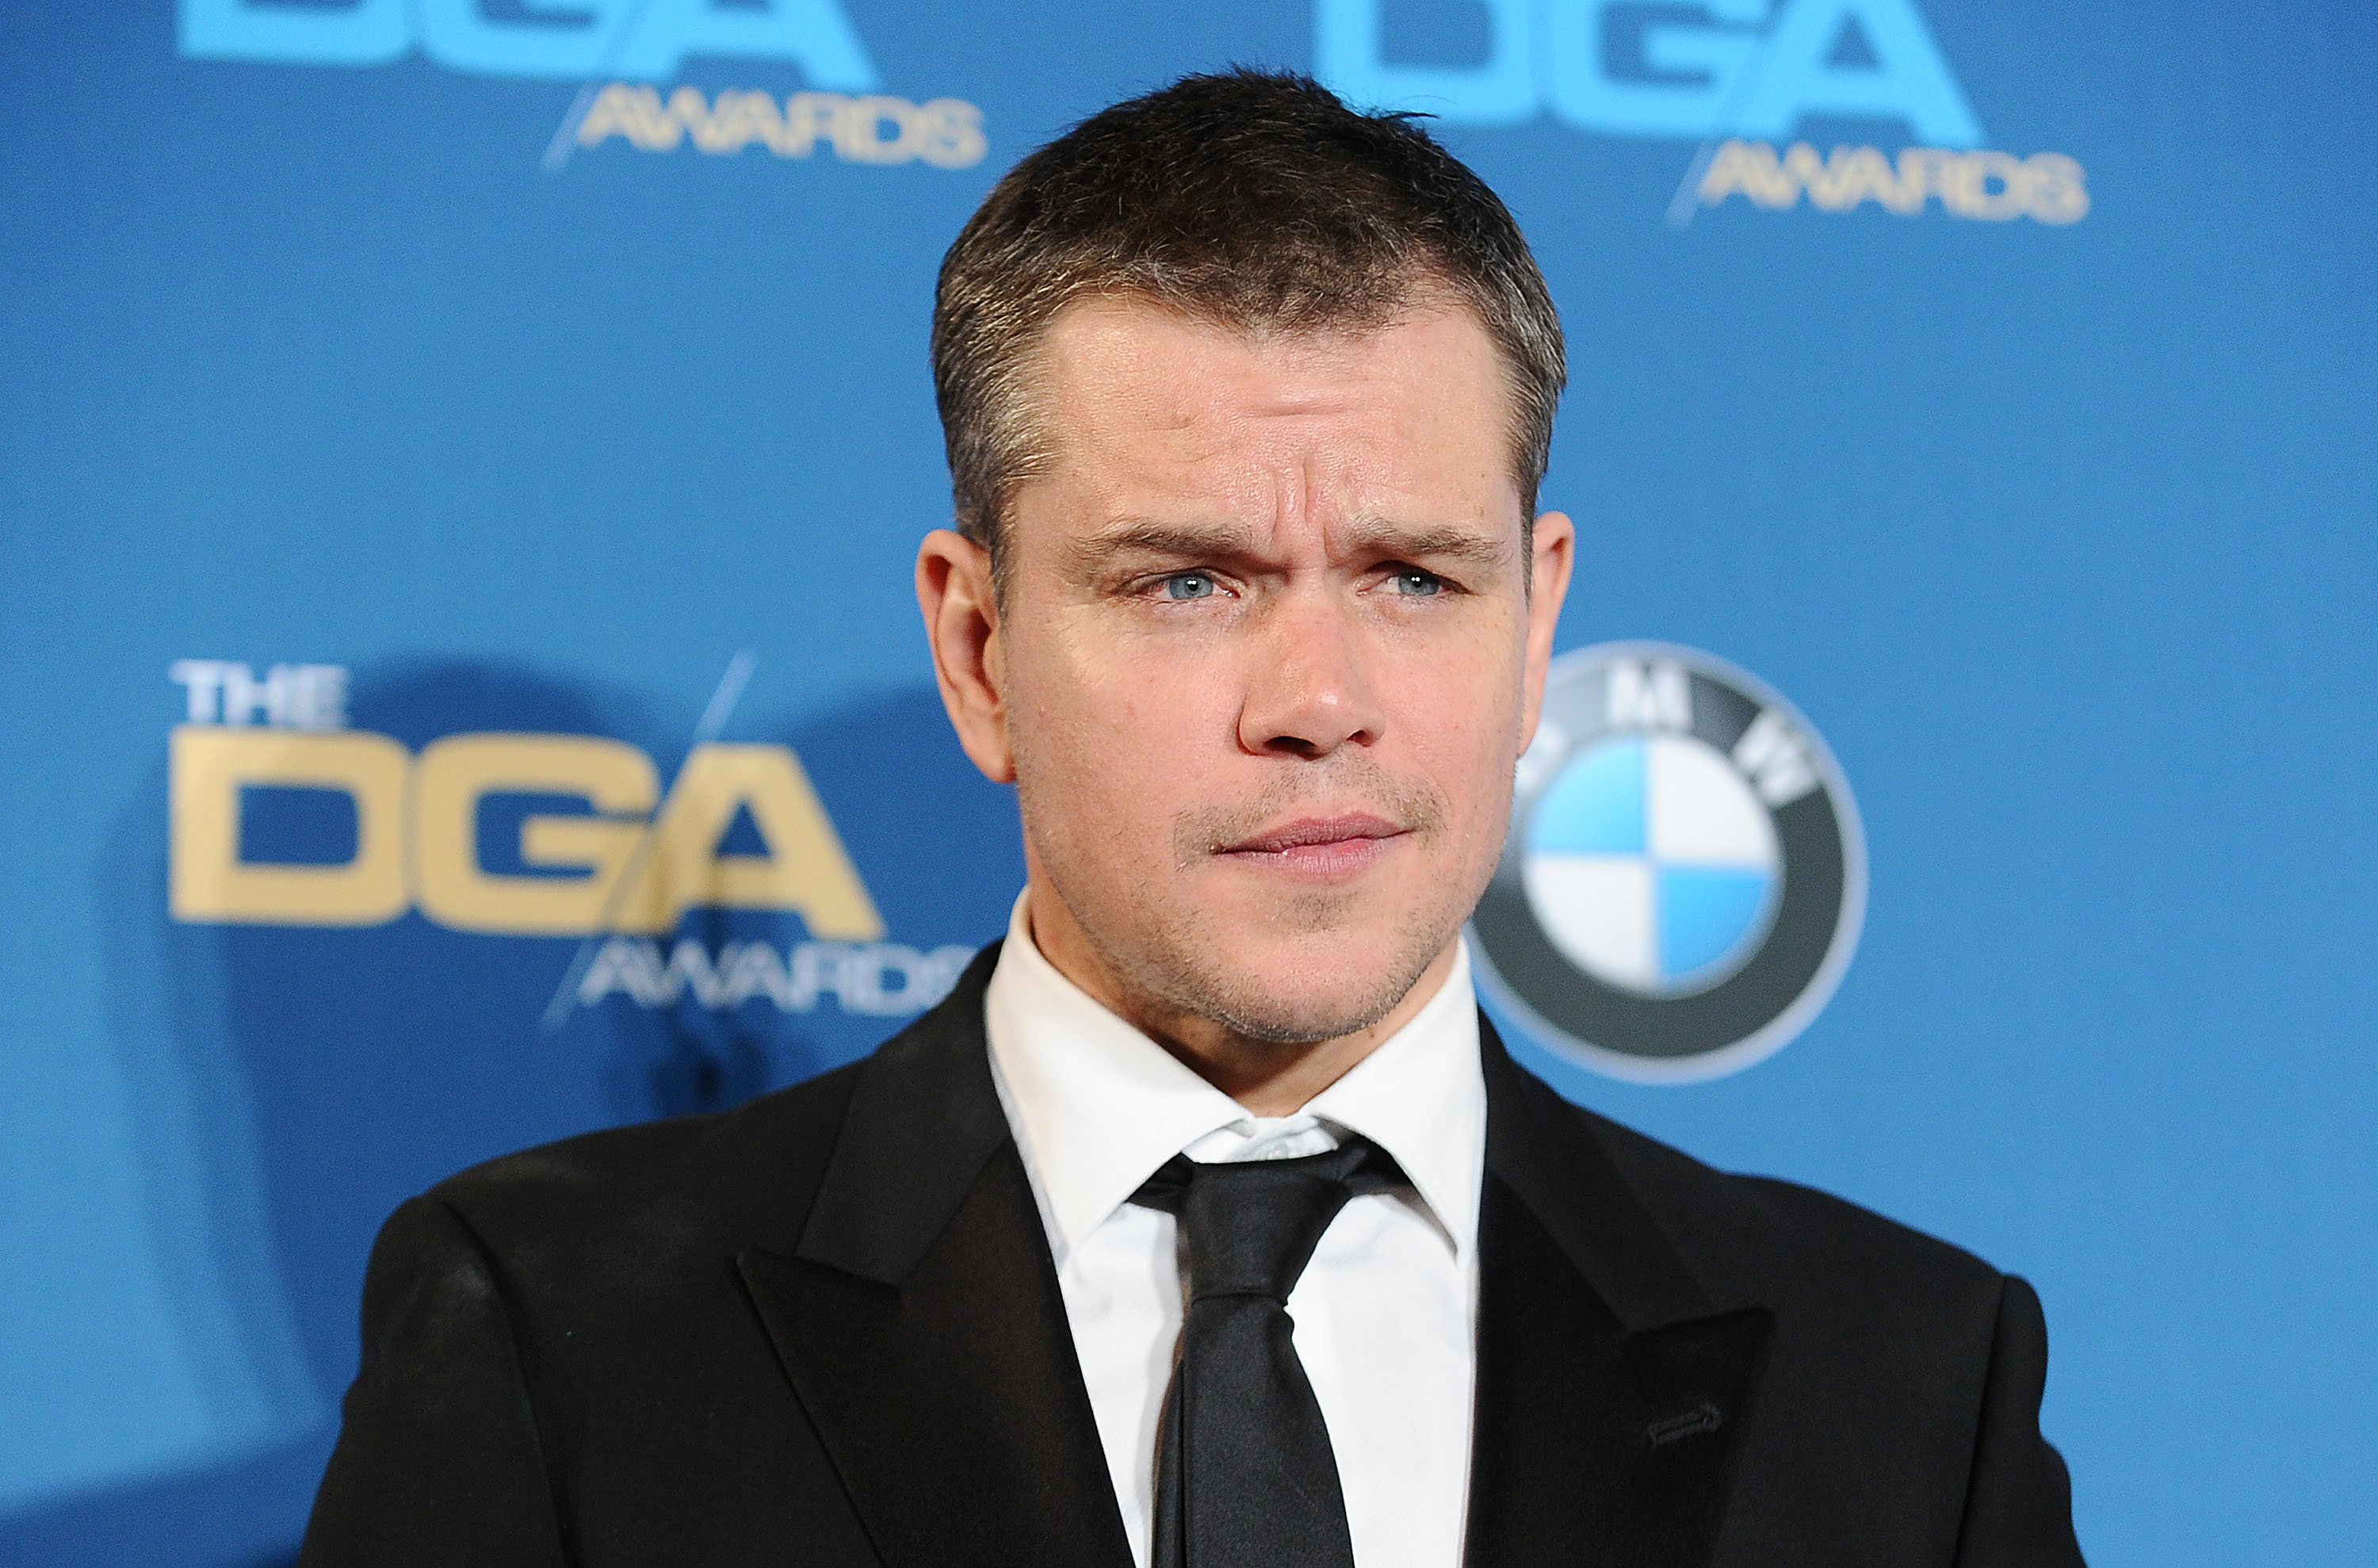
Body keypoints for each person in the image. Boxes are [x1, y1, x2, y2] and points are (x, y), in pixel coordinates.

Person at [298, 70, 2084, 1567]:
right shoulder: (559, 1333)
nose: (1316, 698)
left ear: (1537, 629)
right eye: (1188, 584)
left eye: (1410, 575)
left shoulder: (1910, 1385)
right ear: (980, 648)